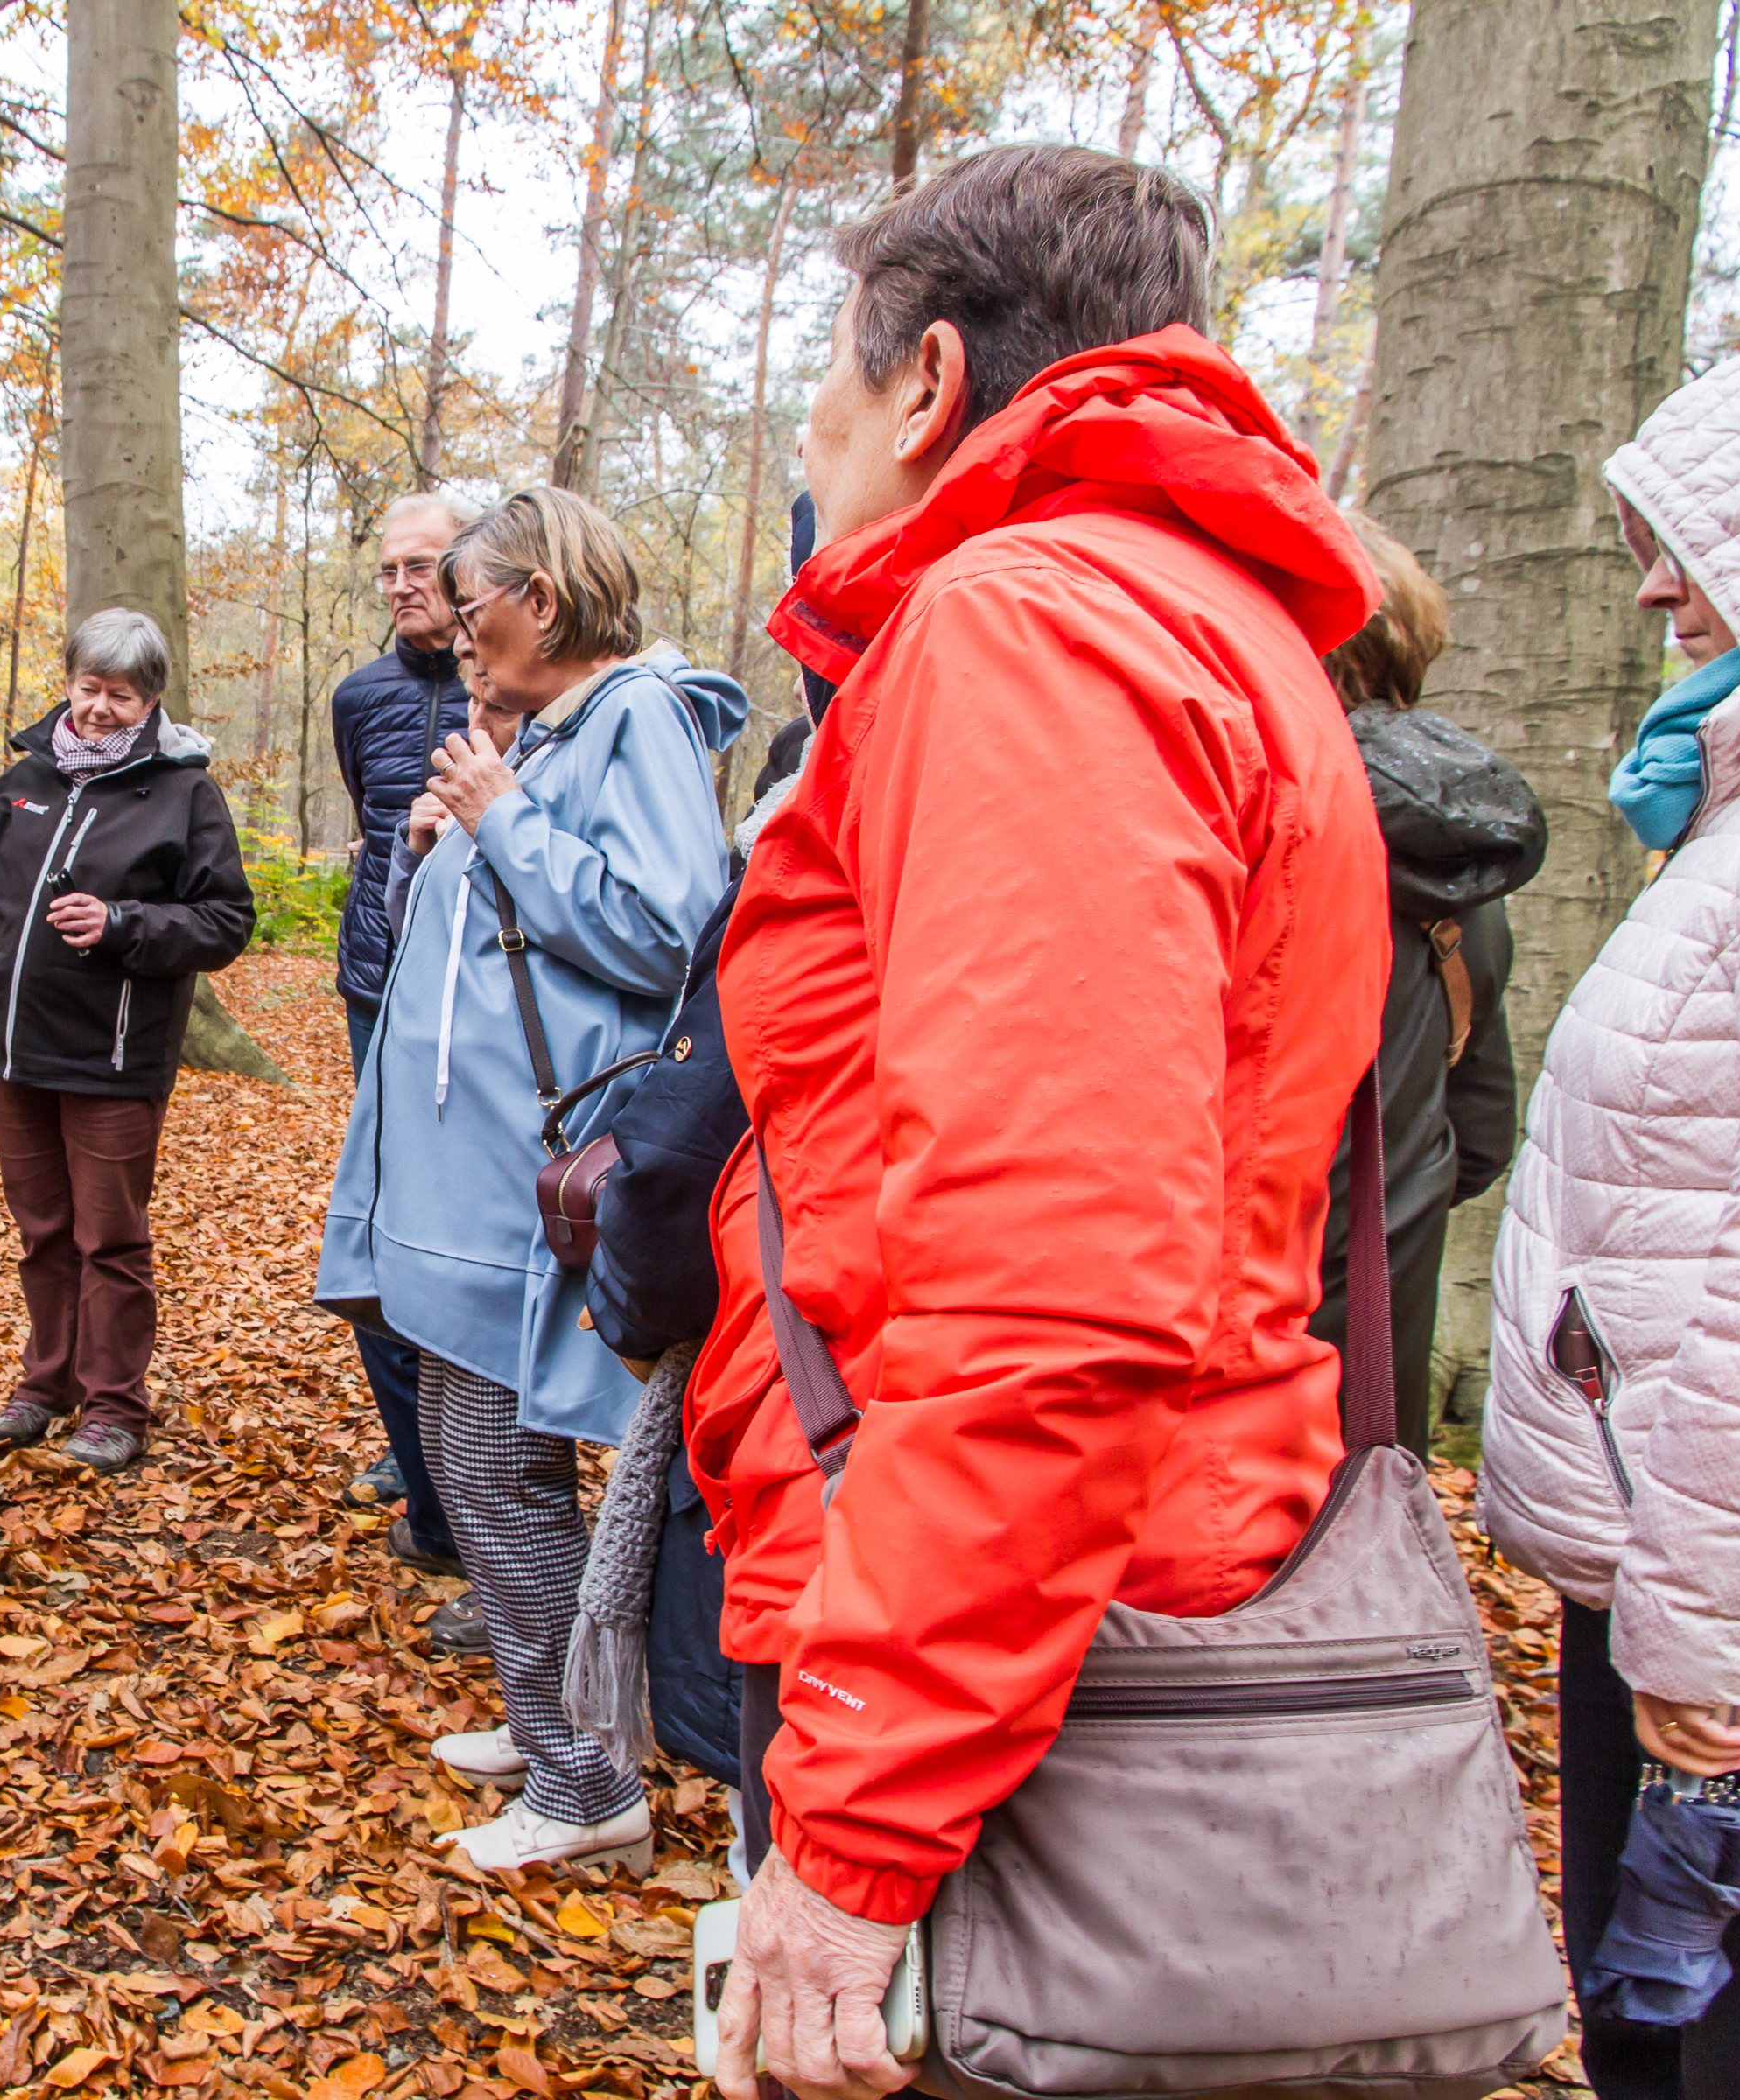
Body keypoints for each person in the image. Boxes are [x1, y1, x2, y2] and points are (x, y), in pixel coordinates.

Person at [680, 146, 1386, 2098]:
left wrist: (856, 1835)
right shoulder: (1199, 612)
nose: (809, 450)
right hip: (1063, 1585)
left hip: (1009, 1644)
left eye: (819, 392)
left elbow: (1053, 1282)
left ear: (922, 380)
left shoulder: (1033, 629)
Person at [319, 487, 747, 1872]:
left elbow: (664, 930)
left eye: (474, 602)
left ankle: (584, 1786)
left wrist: (506, 821)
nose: (454, 631)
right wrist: (451, 844)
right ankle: (548, 1709)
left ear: (541, 603)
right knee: (471, 1449)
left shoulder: (640, 718)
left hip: (532, 1182)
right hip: (470, 1183)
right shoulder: (549, 732)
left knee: (498, 1468)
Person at [1483, 332, 1740, 2098]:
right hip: (1689, 1577)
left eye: (1698, 542)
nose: (1659, 587)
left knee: (1710, 2050)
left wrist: (1700, 1648)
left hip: (1737, 1626)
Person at [0, 610, 257, 1475]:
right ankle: (46, 1387)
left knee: (108, 1238)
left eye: (122, 694)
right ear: (67, 680)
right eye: (89, 688)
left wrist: (122, 924)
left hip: (115, 1059)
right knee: (42, 1231)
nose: (102, 708)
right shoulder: (19, 786)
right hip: (14, 1053)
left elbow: (225, 922)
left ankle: (116, 1406)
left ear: (151, 699)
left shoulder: (185, 792)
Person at [1309, 515, 1542, 1459]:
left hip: (1230, 1366)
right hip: (1376, 1363)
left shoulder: (1253, 815)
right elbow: (1482, 1136)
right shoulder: (1470, 866)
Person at [330, 490, 484, 1649]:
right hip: (373, 981)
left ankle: (468, 1482)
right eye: (388, 568)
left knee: (450, 1233)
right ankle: (416, 1446)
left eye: (422, 564)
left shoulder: (510, 685)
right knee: (379, 1232)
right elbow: (375, 820)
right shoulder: (361, 697)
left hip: (467, 999)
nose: (401, 584)